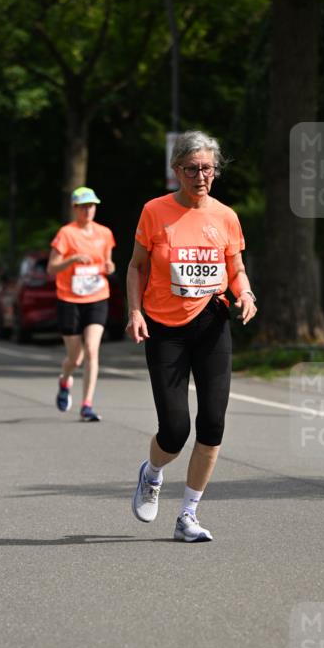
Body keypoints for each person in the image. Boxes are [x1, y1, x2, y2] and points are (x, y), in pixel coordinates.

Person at [126, 130, 257, 542]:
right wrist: (134, 311)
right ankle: (152, 473)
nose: (201, 176)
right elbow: (136, 267)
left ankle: (188, 515)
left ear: (215, 171)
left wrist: (247, 293)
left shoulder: (225, 216)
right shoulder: (154, 212)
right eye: (192, 168)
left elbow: (234, 267)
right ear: (177, 170)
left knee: (213, 423)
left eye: (207, 168)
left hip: (212, 322)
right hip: (165, 328)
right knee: (175, 429)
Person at [46, 187, 115, 422]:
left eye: (92, 206)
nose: (88, 210)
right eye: (84, 206)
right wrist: (73, 259)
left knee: (93, 350)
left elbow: (108, 263)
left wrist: (109, 268)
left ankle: (87, 404)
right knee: (75, 358)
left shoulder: (104, 233)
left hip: (97, 297)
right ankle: (65, 380)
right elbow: (51, 268)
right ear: (75, 208)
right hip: (70, 299)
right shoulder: (66, 234)